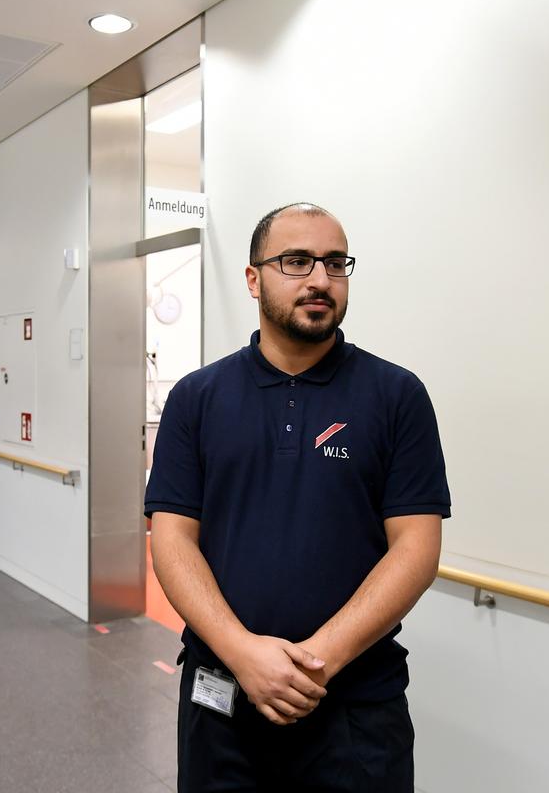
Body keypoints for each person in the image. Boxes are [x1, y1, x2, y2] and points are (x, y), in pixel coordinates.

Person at [145, 202, 450, 792]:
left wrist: (314, 664)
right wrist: (242, 653)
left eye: (336, 264)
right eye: (297, 261)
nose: (320, 279)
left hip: (355, 707)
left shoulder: (397, 395)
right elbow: (172, 538)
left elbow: (416, 547)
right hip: (223, 699)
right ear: (254, 279)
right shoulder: (197, 398)